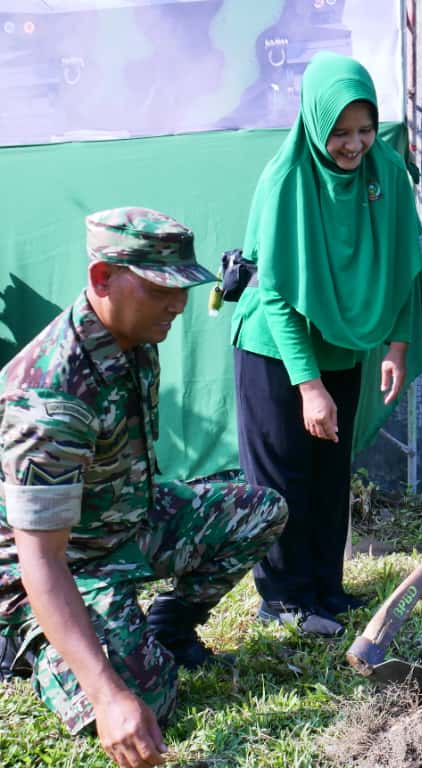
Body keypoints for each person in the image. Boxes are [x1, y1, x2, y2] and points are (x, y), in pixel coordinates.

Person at [0, 207, 288, 768]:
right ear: (102, 279)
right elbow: (40, 560)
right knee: (147, 702)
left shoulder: (134, 335)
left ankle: (166, 628)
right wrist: (108, 696)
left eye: (183, 288)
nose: (178, 305)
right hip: (57, 566)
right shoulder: (50, 400)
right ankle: (32, 644)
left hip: (122, 520)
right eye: (160, 288)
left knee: (260, 510)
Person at [231, 53, 422, 637]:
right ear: (314, 123)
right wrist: (309, 385)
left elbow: (402, 264)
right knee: (283, 478)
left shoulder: (386, 172)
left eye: (365, 130)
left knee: (330, 473)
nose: (354, 145)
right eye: (340, 132)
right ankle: (282, 598)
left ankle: (325, 587)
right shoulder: (286, 181)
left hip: (344, 340)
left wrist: (398, 345)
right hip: (278, 348)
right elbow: (276, 293)